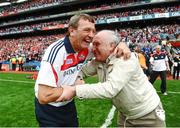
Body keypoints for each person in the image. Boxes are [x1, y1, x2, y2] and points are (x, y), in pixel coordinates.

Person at [34, 14, 130, 127]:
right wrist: (74, 89)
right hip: (49, 109)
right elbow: (44, 96)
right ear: (72, 30)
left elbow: (108, 46)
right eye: (87, 30)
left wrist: (122, 44)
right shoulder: (56, 52)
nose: (91, 35)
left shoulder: (86, 47)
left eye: (93, 31)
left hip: (68, 104)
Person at [56, 30, 166, 127]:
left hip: (148, 115)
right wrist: (77, 79)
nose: (93, 49)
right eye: (92, 45)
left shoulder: (126, 59)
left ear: (112, 46)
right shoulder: (99, 61)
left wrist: (75, 90)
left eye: (97, 44)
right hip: (125, 115)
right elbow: (80, 71)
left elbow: (111, 88)